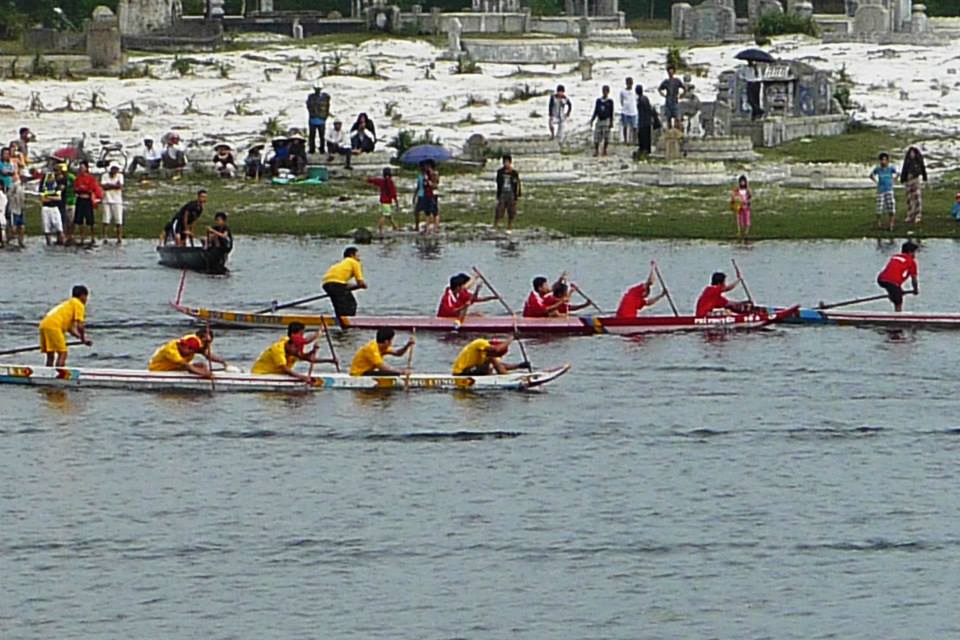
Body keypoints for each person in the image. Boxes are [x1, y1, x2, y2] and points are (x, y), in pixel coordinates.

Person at [251, 322, 333, 382]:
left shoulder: (292, 346)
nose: (297, 351)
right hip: (262, 374)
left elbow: (308, 358)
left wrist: (329, 360)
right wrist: (302, 377)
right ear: (290, 345)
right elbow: (285, 369)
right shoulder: (277, 349)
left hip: (278, 375)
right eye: (296, 348)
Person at [39, 285, 92, 367]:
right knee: (63, 353)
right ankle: (59, 373)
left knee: (50, 353)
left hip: (44, 324)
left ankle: (47, 372)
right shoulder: (78, 304)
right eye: (86, 297)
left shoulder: (68, 304)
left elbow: (70, 329)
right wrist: (83, 338)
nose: (86, 300)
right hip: (54, 325)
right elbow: (80, 326)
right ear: (82, 296)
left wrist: (81, 339)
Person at [148, 329, 225, 376]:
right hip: (159, 370)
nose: (191, 352)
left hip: (176, 367)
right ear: (183, 346)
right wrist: (206, 374)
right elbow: (187, 366)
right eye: (190, 350)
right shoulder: (171, 351)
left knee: (202, 365)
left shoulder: (193, 342)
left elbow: (206, 354)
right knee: (194, 368)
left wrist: (223, 362)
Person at [349, 327, 414, 376]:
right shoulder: (372, 349)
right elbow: (382, 367)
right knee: (389, 372)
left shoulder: (383, 347)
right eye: (391, 340)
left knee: (391, 372)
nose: (391, 343)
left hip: (367, 372)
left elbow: (398, 353)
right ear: (386, 342)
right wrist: (401, 372)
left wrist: (407, 345)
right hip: (359, 374)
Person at [322, 246, 367, 317]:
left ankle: (340, 318)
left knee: (339, 304)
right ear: (352, 255)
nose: (359, 258)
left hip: (326, 284)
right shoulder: (354, 262)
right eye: (358, 255)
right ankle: (347, 320)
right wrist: (363, 285)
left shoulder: (342, 264)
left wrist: (357, 286)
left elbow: (344, 286)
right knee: (351, 304)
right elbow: (360, 282)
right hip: (336, 284)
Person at [877, 240, 919, 312]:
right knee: (898, 302)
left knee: (895, 292)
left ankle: (893, 295)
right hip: (892, 282)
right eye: (914, 252)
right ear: (910, 252)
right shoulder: (911, 262)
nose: (915, 255)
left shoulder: (895, 256)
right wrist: (915, 290)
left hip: (881, 279)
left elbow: (894, 272)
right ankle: (898, 315)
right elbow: (914, 279)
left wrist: (898, 290)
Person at [452, 338, 528, 376]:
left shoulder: (489, 354)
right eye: (499, 355)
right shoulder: (480, 343)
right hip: (460, 372)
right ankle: (506, 378)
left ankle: (504, 377)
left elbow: (500, 365)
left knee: (492, 364)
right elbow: (496, 350)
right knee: (491, 361)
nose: (499, 357)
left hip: (471, 371)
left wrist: (519, 366)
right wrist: (511, 338)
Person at [70, 161, 103, 247]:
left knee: (90, 219)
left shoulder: (91, 178)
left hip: (87, 199)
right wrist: (80, 189)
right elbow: (75, 188)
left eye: (83, 167)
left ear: (86, 168)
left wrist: (84, 188)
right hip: (80, 199)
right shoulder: (78, 178)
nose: (81, 169)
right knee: (79, 219)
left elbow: (92, 188)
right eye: (80, 167)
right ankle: (82, 237)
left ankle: (92, 237)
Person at [870, 152, 898, 232]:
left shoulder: (891, 168)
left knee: (891, 206)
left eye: (885, 160)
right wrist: (876, 182)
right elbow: (871, 175)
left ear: (888, 161)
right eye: (882, 160)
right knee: (879, 207)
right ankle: (878, 223)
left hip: (889, 189)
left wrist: (893, 181)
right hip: (880, 190)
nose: (883, 162)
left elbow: (897, 174)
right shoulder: (878, 169)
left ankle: (891, 224)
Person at [367, 167, 399, 235]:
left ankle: (395, 227)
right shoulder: (390, 182)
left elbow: (374, 181)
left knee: (389, 216)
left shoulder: (382, 181)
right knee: (385, 216)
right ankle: (380, 228)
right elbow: (393, 193)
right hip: (387, 201)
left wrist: (368, 179)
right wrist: (396, 202)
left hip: (383, 201)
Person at [900, 146, 927, 224]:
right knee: (909, 198)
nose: (912, 154)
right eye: (911, 153)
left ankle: (918, 215)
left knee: (917, 197)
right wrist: (903, 179)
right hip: (908, 180)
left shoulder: (918, 161)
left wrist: (924, 177)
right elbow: (904, 169)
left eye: (913, 153)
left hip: (915, 179)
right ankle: (910, 214)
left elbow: (922, 168)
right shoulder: (907, 161)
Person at [494, 154, 521, 232]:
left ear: (510, 162)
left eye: (507, 162)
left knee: (511, 211)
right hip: (502, 193)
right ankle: (496, 225)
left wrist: (517, 194)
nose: (506, 164)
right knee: (499, 210)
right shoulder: (500, 172)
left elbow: (517, 184)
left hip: (511, 193)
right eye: (504, 162)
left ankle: (509, 226)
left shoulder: (514, 173)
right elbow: (498, 183)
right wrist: (498, 194)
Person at [100, 163, 124, 244]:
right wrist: (114, 185)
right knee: (105, 220)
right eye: (114, 169)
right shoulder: (104, 176)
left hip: (117, 201)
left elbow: (120, 186)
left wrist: (109, 185)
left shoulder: (120, 176)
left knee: (119, 221)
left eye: (116, 169)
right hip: (106, 200)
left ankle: (119, 238)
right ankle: (105, 237)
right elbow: (103, 187)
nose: (115, 170)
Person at [39, 172, 65, 246]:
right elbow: (43, 199)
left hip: (55, 208)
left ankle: (61, 242)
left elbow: (58, 198)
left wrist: (48, 197)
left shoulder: (57, 186)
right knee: (46, 228)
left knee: (59, 227)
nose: (51, 178)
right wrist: (52, 198)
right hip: (45, 209)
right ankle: (48, 243)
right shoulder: (43, 187)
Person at [306, 81, 331, 155]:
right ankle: (312, 149)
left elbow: (327, 107)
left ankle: (322, 149)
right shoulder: (311, 97)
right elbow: (308, 106)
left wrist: (325, 116)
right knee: (312, 135)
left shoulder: (325, 97)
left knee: (322, 135)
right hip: (313, 118)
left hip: (321, 119)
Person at [589, 85, 615, 157]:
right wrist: (592, 120)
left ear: (608, 92)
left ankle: (604, 150)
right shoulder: (598, 101)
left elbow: (611, 112)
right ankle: (596, 150)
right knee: (597, 136)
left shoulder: (610, 101)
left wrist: (611, 122)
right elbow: (595, 111)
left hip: (606, 120)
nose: (605, 92)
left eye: (606, 91)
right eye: (604, 91)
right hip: (599, 120)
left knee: (606, 136)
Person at [658, 66, 686, 130]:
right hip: (668, 102)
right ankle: (670, 132)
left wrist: (682, 95)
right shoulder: (666, 82)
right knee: (668, 119)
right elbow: (659, 89)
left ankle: (678, 132)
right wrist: (663, 94)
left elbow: (684, 88)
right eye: (669, 72)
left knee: (678, 119)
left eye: (672, 71)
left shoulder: (677, 81)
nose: (670, 73)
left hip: (675, 101)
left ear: (674, 72)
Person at [417, 159, 440, 235]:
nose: (425, 167)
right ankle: (427, 228)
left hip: (433, 194)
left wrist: (429, 182)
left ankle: (436, 228)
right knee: (427, 212)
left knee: (434, 212)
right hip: (426, 194)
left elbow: (435, 185)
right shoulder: (425, 174)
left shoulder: (435, 173)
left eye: (426, 165)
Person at [635, 84, 657, 157]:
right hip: (647, 120)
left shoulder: (640, 100)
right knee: (647, 136)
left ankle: (643, 149)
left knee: (642, 136)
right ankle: (647, 149)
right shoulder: (645, 98)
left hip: (643, 121)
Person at [54, 162, 75, 233]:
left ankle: (68, 234)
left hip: (68, 200)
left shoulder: (69, 177)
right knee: (59, 219)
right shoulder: (54, 178)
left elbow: (75, 184)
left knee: (68, 219)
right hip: (58, 201)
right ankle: (61, 233)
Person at [731, 174, 752, 239]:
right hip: (739, 207)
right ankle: (740, 232)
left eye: (743, 181)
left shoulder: (747, 190)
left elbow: (750, 197)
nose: (742, 183)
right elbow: (734, 197)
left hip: (746, 207)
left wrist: (748, 201)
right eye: (741, 182)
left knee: (747, 220)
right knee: (740, 220)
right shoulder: (737, 190)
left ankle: (746, 232)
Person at [619, 77, 638, 144]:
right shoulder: (622, 91)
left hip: (633, 111)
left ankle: (634, 140)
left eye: (631, 83)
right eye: (628, 83)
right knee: (625, 126)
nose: (630, 84)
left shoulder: (634, 91)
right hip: (625, 111)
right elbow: (621, 101)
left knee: (634, 127)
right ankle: (625, 140)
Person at [8, 179, 25, 248]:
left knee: (22, 227)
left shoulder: (22, 187)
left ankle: (21, 242)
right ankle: (8, 239)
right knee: (14, 228)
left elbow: (23, 198)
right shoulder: (14, 186)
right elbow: (9, 195)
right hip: (14, 210)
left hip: (21, 210)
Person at [0, 182, 6, 247]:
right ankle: (3, 241)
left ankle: (2, 242)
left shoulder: (1, 195)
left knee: (1, 228)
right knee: (2, 228)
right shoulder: (3, 195)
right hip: (2, 214)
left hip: (1, 213)